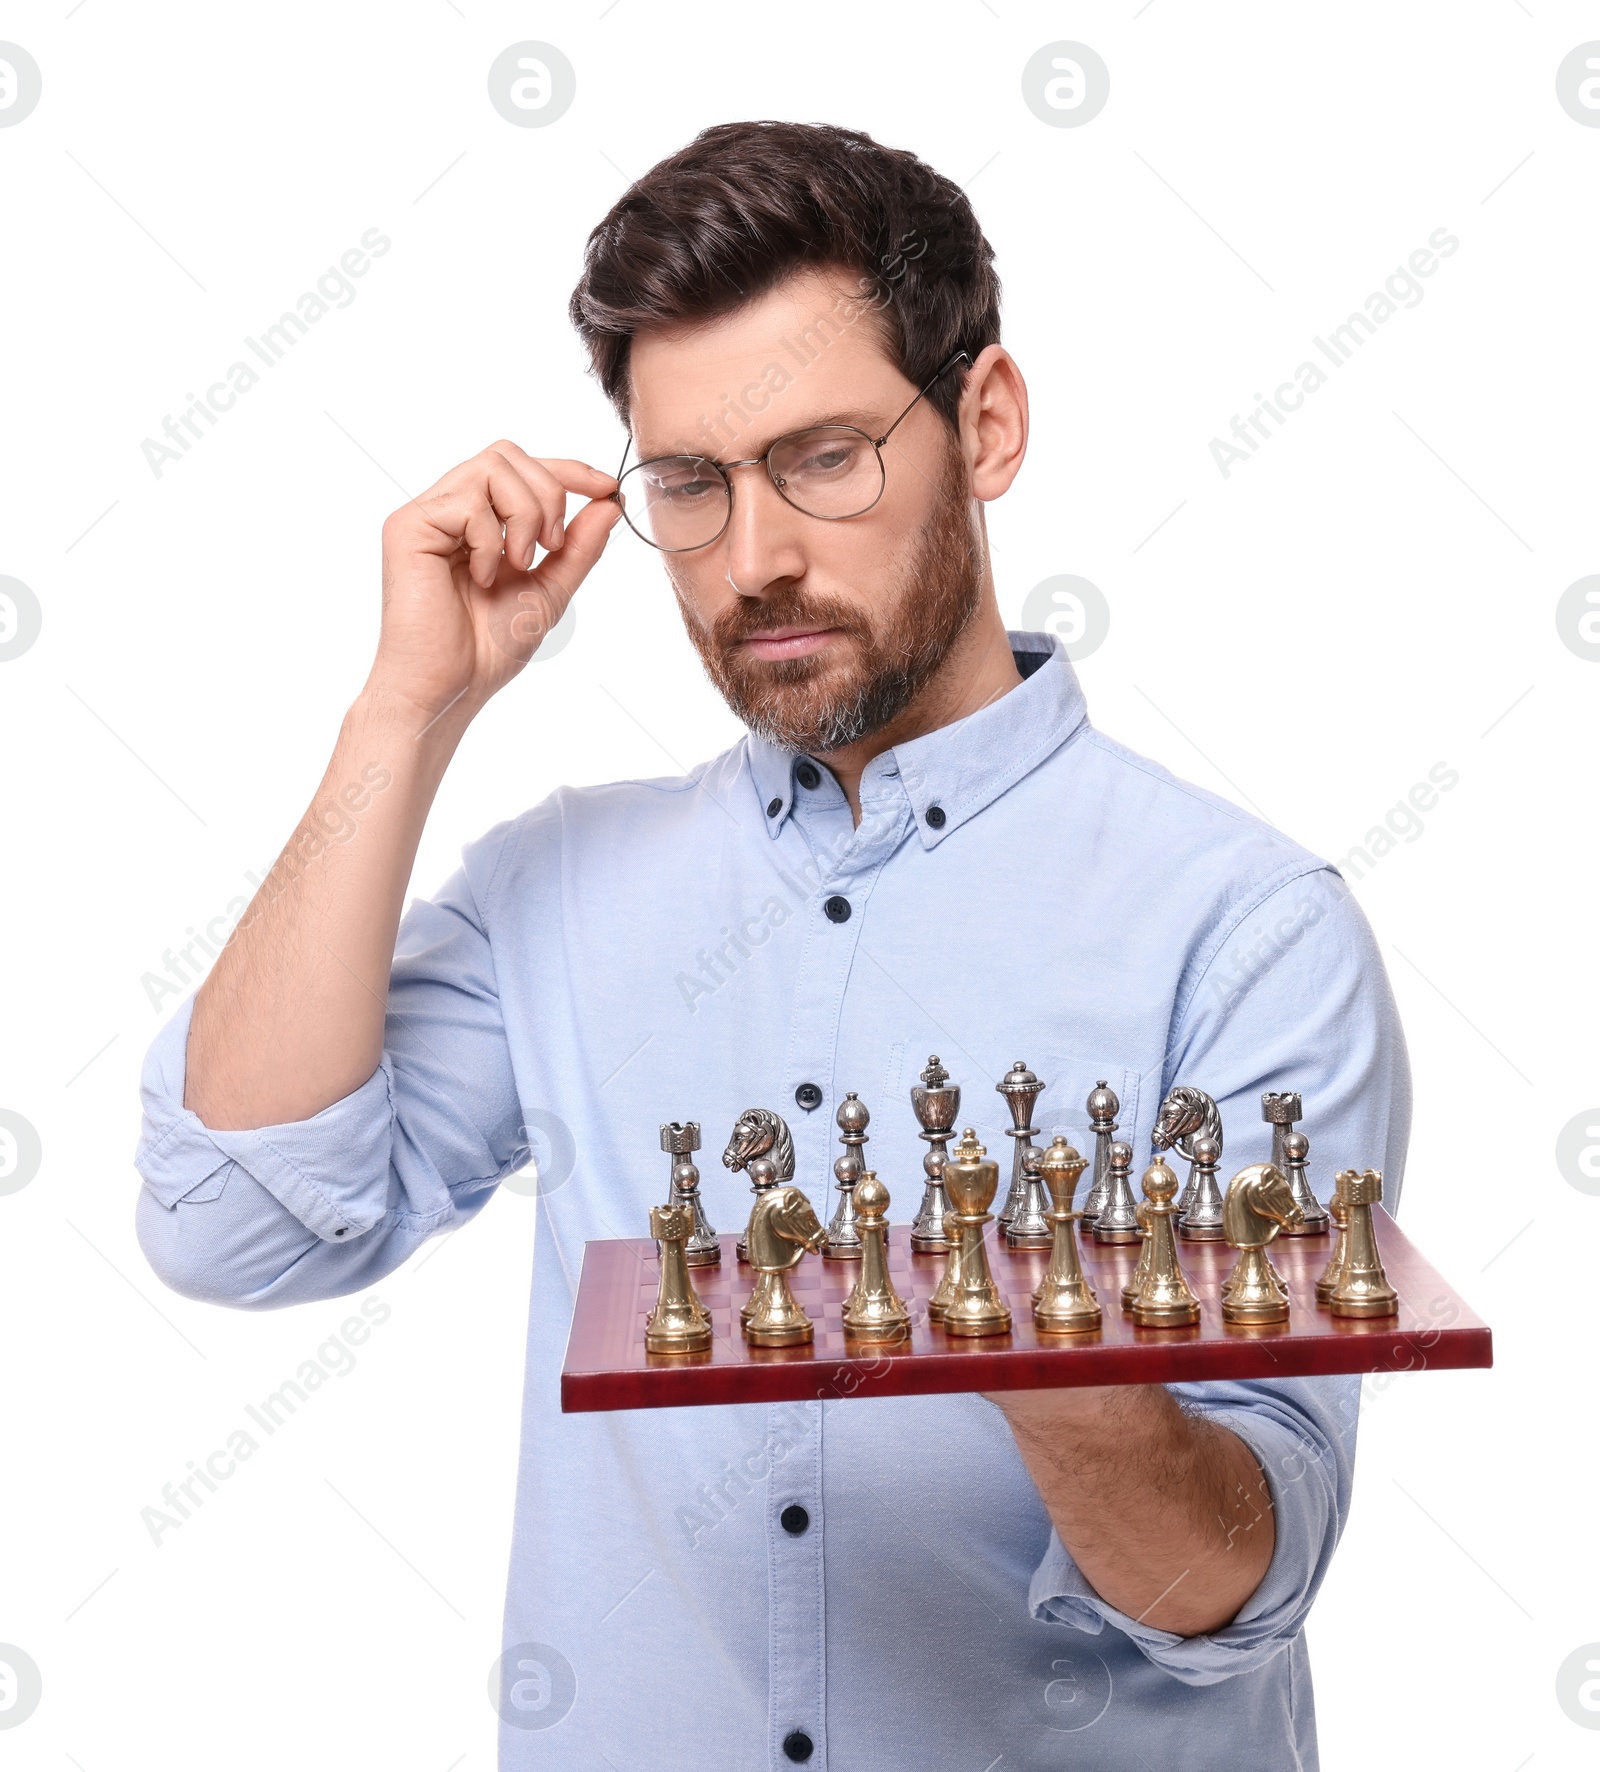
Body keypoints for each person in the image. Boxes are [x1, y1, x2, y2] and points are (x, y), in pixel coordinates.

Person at [134, 120, 1409, 1769]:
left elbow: (1239, 1577)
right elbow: (228, 1224)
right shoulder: (565, 888)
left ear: (987, 423)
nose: (756, 561)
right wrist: (409, 711)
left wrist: (1042, 1350)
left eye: (824, 458)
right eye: (691, 485)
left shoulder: (1242, 934)